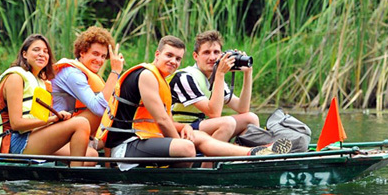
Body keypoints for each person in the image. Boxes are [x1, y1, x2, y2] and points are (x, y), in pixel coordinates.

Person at [99, 35, 291, 168]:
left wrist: (183, 128)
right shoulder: (147, 75)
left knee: (195, 136)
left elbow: (155, 122)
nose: (173, 61)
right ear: (157, 55)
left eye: (177, 58)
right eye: (169, 55)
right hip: (124, 147)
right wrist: (179, 136)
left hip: (143, 139)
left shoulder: (161, 79)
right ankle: (203, 171)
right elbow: (162, 121)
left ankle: (252, 153)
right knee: (187, 146)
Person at [0, 34, 98, 167]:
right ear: (24, 54)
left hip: (34, 137)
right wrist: (52, 120)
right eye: (36, 50)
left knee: (92, 156)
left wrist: (56, 120)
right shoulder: (15, 77)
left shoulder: (41, 82)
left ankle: (62, 184)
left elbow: (38, 119)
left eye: (45, 51)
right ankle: (74, 180)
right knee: (81, 123)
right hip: (14, 143)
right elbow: (16, 124)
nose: (42, 54)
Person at [168, 30, 259, 142]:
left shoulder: (214, 78)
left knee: (251, 118)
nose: (212, 57)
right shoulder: (184, 77)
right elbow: (214, 113)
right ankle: (207, 160)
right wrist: (220, 74)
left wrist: (248, 73)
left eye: (216, 52)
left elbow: (242, 108)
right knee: (227, 123)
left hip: (199, 126)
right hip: (179, 129)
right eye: (206, 52)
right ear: (196, 56)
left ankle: (241, 156)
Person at [51, 26, 124, 141]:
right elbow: (99, 109)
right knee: (105, 111)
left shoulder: (85, 72)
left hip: (72, 128)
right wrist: (115, 71)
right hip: (54, 132)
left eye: (103, 56)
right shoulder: (72, 73)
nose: (99, 60)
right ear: (82, 52)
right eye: (95, 54)